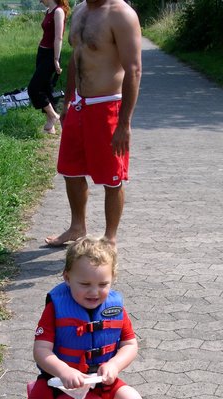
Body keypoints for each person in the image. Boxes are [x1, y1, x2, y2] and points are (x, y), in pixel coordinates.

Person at [0, 236, 175, 399]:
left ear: (112, 279)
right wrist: (64, 370)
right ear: (67, 277)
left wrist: (114, 365)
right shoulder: (55, 309)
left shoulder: (115, 308)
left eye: (103, 284)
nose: (94, 292)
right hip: (57, 383)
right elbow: (41, 351)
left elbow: (130, 345)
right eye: (84, 284)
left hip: (101, 381)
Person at [44, 0, 142, 248]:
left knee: (112, 176)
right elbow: (77, 58)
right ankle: (77, 227)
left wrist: (124, 123)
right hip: (79, 104)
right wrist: (67, 101)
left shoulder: (121, 14)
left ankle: (110, 238)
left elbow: (134, 70)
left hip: (108, 106)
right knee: (70, 170)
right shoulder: (79, 10)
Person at [28, 0, 70, 134]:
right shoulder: (48, 11)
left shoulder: (58, 11)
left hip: (51, 55)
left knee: (34, 88)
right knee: (46, 87)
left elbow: (59, 38)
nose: (39, 1)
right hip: (42, 52)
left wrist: (56, 59)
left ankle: (53, 115)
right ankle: (50, 125)